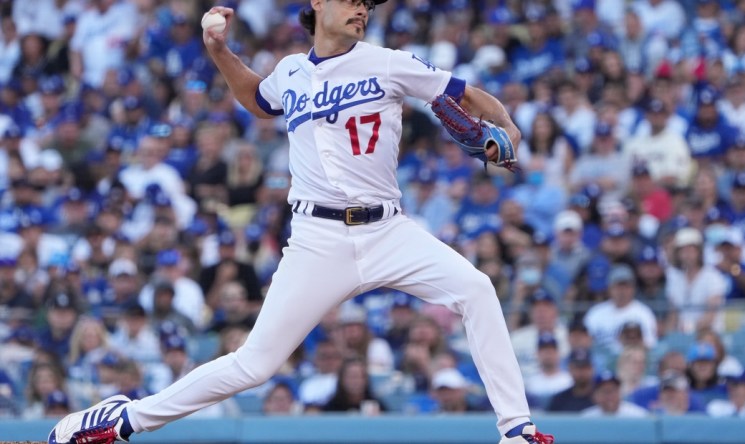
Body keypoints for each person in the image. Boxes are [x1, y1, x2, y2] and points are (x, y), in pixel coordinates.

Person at [48, 2, 551, 444]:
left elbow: (467, 94)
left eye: (366, 4)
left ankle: (518, 430)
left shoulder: (388, 63)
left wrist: (508, 128)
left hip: (389, 230)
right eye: (351, 0)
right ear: (318, 3)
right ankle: (123, 419)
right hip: (318, 239)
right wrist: (219, 50)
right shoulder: (290, 71)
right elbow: (257, 99)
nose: (361, 9)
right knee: (255, 365)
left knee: (477, 289)